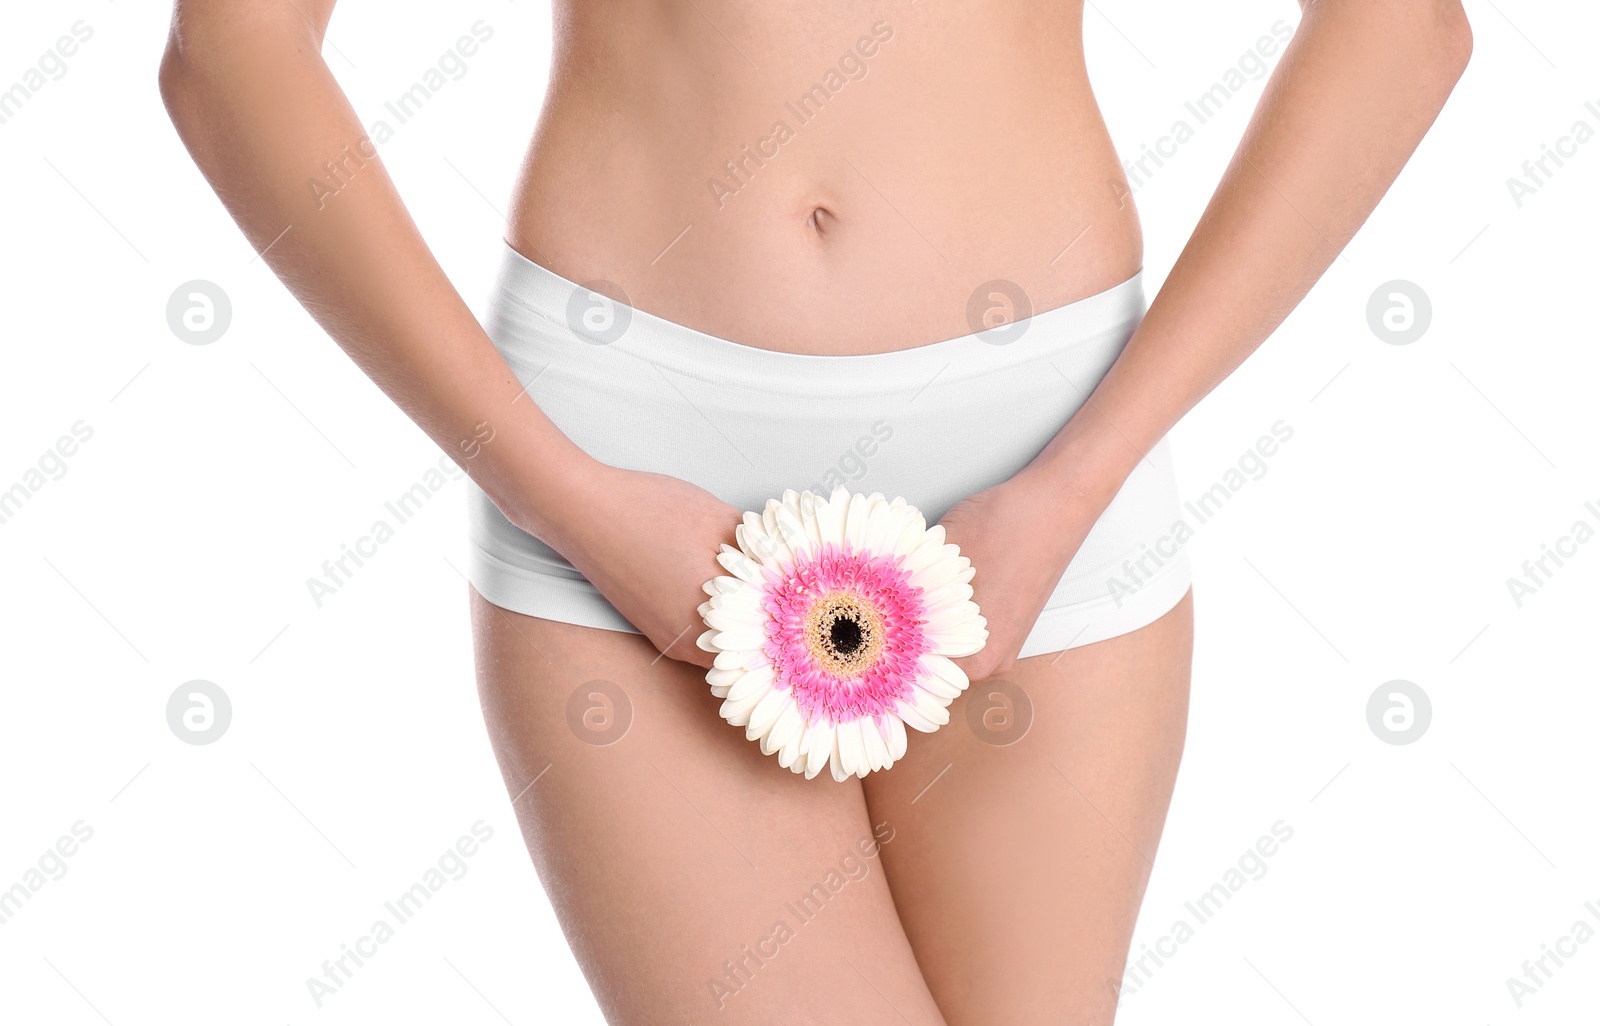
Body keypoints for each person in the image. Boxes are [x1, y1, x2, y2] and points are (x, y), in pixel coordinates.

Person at [159, 2, 1471, 1021]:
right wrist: (570, 499)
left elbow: (1401, 31)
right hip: (620, 463)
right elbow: (230, 51)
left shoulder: (1066, 477)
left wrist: (1081, 479)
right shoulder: (594, 497)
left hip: (1046, 456)